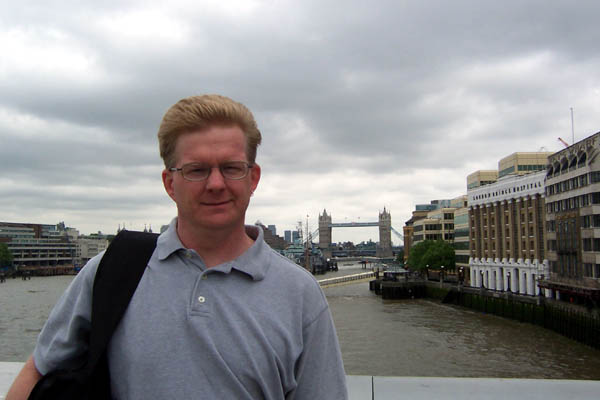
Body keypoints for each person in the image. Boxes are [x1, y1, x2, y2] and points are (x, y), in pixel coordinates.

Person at [7, 94, 348, 399]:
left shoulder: (300, 294)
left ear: (253, 177)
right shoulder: (110, 272)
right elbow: (39, 370)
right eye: (197, 170)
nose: (216, 184)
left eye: (231, 168)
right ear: (170, 183)